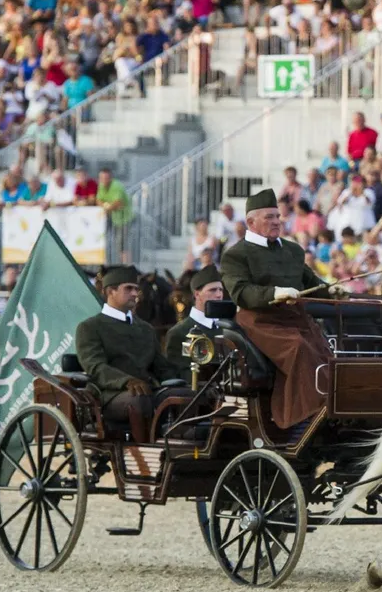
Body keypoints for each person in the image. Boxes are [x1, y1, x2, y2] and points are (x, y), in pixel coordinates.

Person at [219, 189, 336, 429]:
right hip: (260, 321)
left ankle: (333, 409)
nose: (276, 222)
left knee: (326, 353)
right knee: (298, 348)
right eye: (269, 217)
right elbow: (241, 292)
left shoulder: (292, 250)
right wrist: (274, 293)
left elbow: (311, 283)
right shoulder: (236, 255)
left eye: (277, 217)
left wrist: (332, 290)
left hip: (296, 318)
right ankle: (304, 417)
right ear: (251, 222)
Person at [75, 265, 192, 443]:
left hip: (148, 390)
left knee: (186, 394)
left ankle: (183, 449)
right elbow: (96, 367)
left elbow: (162, 367)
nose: (135, 294)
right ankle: (144, 451)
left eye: (136, 289)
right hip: (109, 395)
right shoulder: (90, 327)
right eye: (128, 289)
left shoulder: (146, 329)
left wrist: (185, 381)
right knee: (139, 399)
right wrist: (127, 381)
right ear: (110, 291)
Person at [164, 265, 225, 373]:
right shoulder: (179, 332)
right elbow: (173, 373)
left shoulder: (229, 329)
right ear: (197, 294)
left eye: (221, 290)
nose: (219, 295)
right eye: (213, 290)